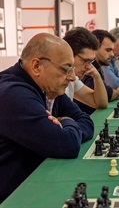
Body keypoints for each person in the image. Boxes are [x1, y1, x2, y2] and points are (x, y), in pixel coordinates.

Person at [0, 33, 94, 202]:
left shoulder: (49, 88)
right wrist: (69, 122)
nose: (72, 77)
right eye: (66, 69)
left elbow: (87, 122)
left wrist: (66, 124)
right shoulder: (12, 94)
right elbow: (67, 144)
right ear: (37, 66)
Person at [79, 29, 119, 114]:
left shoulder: (98, 67)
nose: (112, 54)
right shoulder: (87, 69)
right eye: (108, 50)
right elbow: (105, 94)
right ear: (95, 48)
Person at [63, 27, 108, 109]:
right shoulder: (54, 81)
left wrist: (97, 77)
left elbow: (101, 103)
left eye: (91, 62)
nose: (89, 67)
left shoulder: (73, 80)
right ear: (69, 54)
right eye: (85, 60)